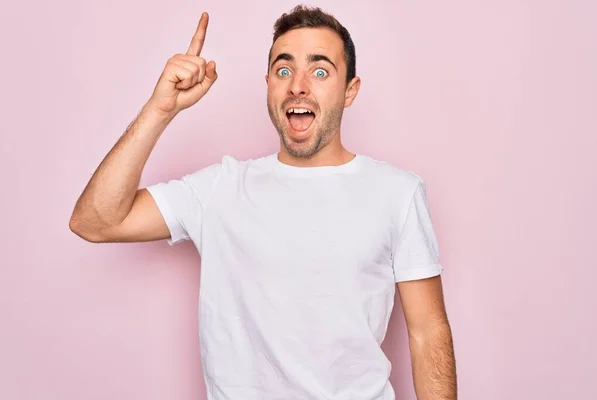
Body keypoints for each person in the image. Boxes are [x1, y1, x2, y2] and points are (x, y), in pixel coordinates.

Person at [69, 5, 457, 400]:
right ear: (268, 83)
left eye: (320, 71)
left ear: (350, 90)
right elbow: (95, 221)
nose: (298, 86)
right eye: (283, 70)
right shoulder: (219, 189)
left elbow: (428, 331)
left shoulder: (397, 192)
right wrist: (160, 110)